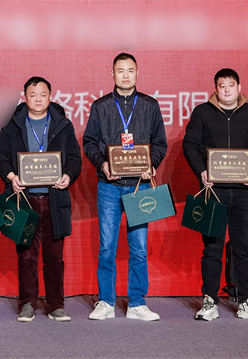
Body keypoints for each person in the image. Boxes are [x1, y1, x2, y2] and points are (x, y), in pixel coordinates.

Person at [182, 68, 248, 322]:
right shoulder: (202, 113)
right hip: (213, 191)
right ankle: (209, 300)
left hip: (244, 192)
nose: (226, 90)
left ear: (239, 88)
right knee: (212, 248)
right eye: (221, 86)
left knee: (243, 247)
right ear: (215, 89)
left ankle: (246, 301)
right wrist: (201, 171)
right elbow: (189, 145)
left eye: (231, 85)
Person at [82, 53, 167, 321]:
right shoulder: (100, 106)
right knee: (107, 247)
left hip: (139, 186)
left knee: (139, 248)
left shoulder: (150, 105)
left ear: (137, 73)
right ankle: (106, 301)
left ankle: (137, 303)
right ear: (112, 74)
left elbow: (160, 143)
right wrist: (102, 164)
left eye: (130, 70)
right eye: (121, 71)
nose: (126, 75)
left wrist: (152, 164)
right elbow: (89, 142)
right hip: (109, 185)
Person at [0, 76, 82, 322]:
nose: (38, 99)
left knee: (55, 258)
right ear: (24, 97)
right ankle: (27, 304)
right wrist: (12, 176)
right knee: (26, 256)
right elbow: (1, 157)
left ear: (50, 96)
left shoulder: (63, 124)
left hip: (54, 199)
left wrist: (68, 175)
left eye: (43, 95)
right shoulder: (12, 125)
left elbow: (74, 158)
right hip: (25, 200)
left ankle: (56, 305)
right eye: (33, 95)